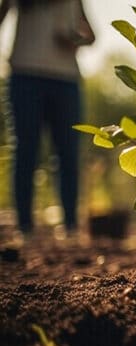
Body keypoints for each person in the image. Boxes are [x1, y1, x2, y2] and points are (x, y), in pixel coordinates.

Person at [0, 0, 95, 238]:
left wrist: (74, 40)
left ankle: (70, 226)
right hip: (25, 73)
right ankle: (24, 227)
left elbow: (91, 36)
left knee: (68, 152)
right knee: (26, 150)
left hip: (66, 79)